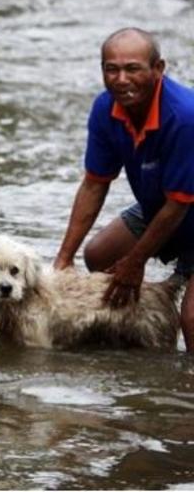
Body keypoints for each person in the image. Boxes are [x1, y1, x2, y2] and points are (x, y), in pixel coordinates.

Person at [53, 27, 194, 352]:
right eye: (111, 69)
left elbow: (178, 205)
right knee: (98, 255)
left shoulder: (184, 117)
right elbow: (94, 184)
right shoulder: (106, 109)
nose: (121, 79)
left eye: (132, 68)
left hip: (180, 207)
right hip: (160, 207)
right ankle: (142, 337)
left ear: (158, 69)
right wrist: (63, 258)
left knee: (192, 320)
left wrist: (135, 262)